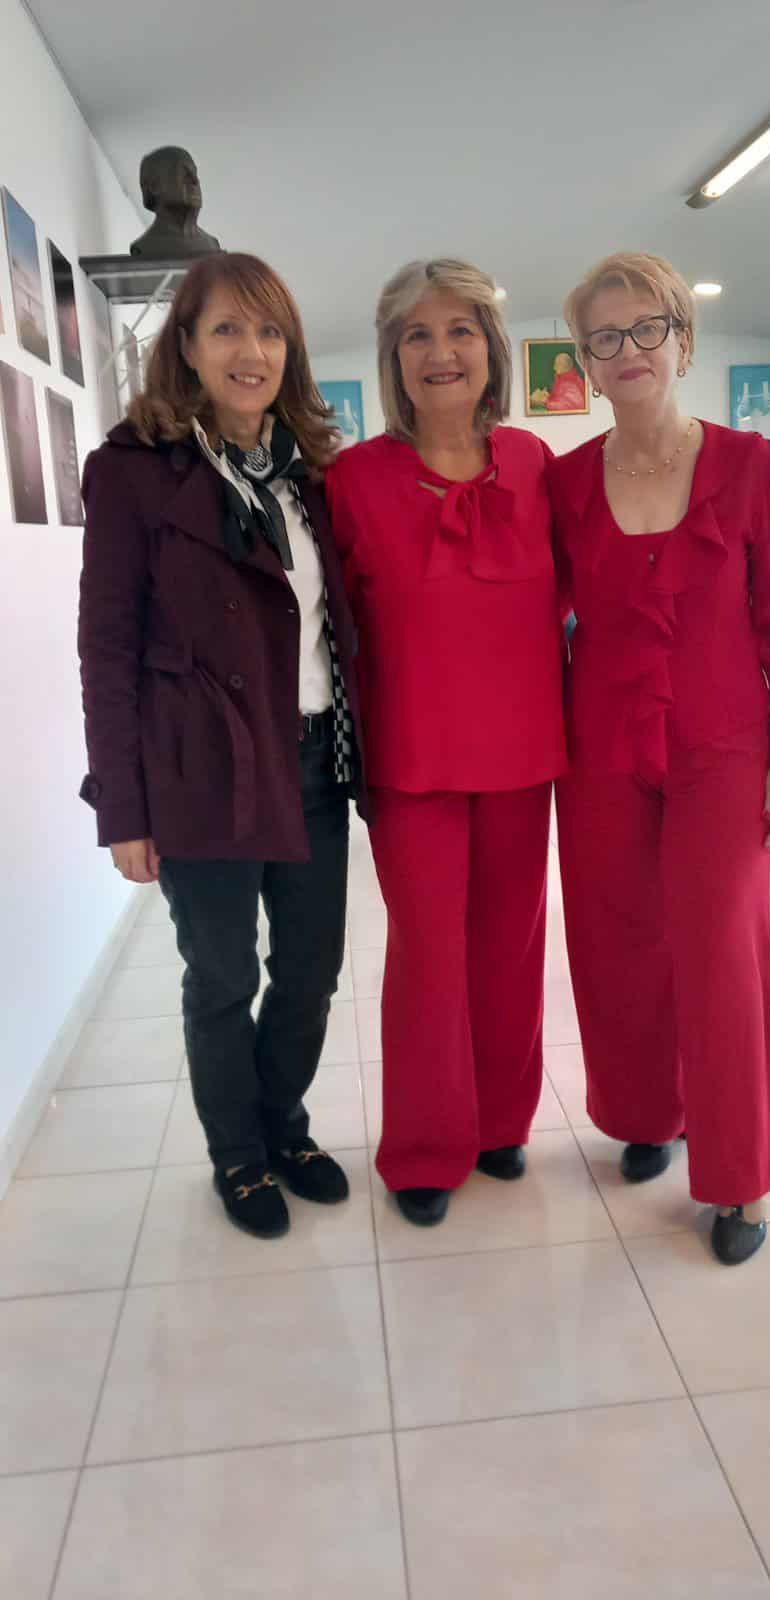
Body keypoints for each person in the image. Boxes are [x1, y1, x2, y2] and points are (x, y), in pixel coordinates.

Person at [548, 251, 770, 1265]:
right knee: (619, 942)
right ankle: (647, 1113)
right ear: (585, 359)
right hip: (600, 748)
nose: (628, 349)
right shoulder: (566, 482)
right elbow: (535, 618)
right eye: (605, 335)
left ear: (684, 339)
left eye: (648, 328)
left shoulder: (749, 466)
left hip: (722, 745)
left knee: (721, 954)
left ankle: (739, 1173)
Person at [78, 253, 368, 1239]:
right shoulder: (132, 472)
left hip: (313, 762)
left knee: (311, 971)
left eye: (271, 331)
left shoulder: (310, 477)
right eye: (228, 329)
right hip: (201, 768)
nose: (253, 351)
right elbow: (107, 646)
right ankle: (238, 1157)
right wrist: (124, 808)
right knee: (224, 977)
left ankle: (283, 1126)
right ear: (189, 349)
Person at [327, 258, 567, 1227]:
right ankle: (427, 1145)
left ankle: (501, 1122)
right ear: (393, 357)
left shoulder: (536, 465)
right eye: (416, 335)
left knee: (510, 946)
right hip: (413, 757)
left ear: (492, 349)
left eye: (460, 330)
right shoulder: (353, 480)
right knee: (427, 954)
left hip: (523, 749)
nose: (441, 352)